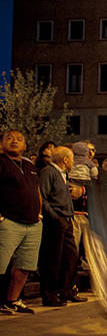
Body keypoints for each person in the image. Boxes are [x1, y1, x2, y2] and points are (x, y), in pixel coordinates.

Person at [38, 146, 86, 306]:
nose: (73, 162)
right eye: (72, 158)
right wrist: (54, 216)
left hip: (67, 219)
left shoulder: (63, 174)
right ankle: (50, 294)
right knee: (53, 258)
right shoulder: (48, 172)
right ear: (65, 159)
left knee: (70, 256)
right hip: (56, 220)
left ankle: (65, 290)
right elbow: (42, 198)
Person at [0, 131, 42, 314]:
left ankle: (13, 300)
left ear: (25, 145)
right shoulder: (1, 162)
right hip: (9, 221)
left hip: (33, 223)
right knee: (1, 265)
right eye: (9, 138)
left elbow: (36, 190)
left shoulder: (29, 165)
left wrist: (39, 213)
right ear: (1, 144)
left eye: (19, 139)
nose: (14, 141)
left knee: (25, 266)